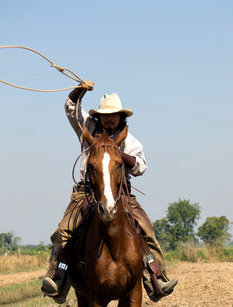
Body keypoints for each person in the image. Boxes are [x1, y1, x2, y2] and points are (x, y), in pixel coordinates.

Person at [41, 81, 177, 303]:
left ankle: (157, 277)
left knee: (146, 231)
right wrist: (80, 90)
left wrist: (118, 154)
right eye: (105, 114)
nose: (109, 118)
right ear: (99, 117)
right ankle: (57, 278)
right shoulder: (88, 128)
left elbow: (141, 166)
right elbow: (70, 107)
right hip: (86, 193)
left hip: (121, 195)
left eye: (113, 114)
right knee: (64, 232)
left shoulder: (128, 139)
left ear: (121, 116)